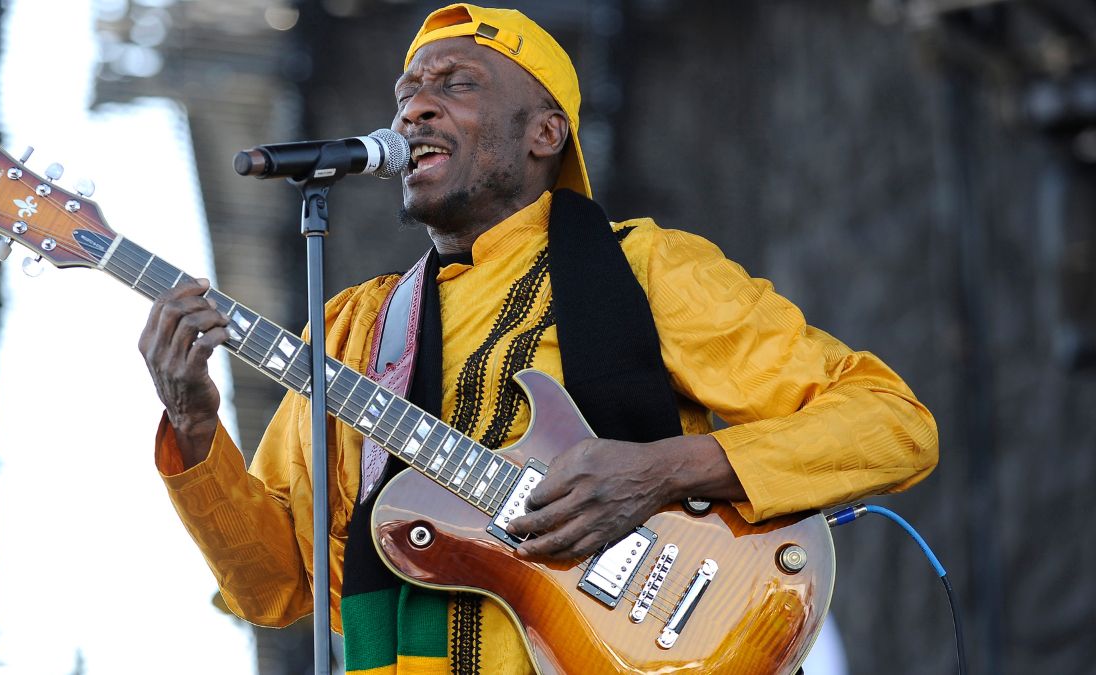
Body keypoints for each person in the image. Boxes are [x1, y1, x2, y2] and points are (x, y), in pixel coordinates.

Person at [138, 4, 939, 673]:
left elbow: (893, 424)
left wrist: (660, 471)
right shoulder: (354, 328)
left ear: (545, 131)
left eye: (455, 84)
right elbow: (273, 587)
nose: (414, 106)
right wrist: (196, 428)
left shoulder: (648, 268)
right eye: (407, 89)